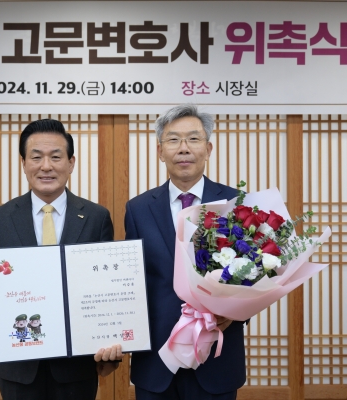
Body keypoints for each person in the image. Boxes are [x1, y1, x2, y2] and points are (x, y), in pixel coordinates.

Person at [0, 119, 122, 400]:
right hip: (19, 364)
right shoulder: (1, 217)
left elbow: (107, 287)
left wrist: (110, 350)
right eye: (36, 157)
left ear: (71, 163)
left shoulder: (96, 216)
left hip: (76, 364)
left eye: (56, 157)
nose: (46, 166)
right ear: (23, 163)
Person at [125, 104, 246, 399]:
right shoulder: (138, 208)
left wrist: (235, 313)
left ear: (208, 148)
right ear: (160, 151)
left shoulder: (236, 203)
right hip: (156, 361)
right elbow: (133, 282)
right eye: (173, 140)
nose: (183, 148)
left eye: (193, 139)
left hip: (216, 358)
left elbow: (252, 273)